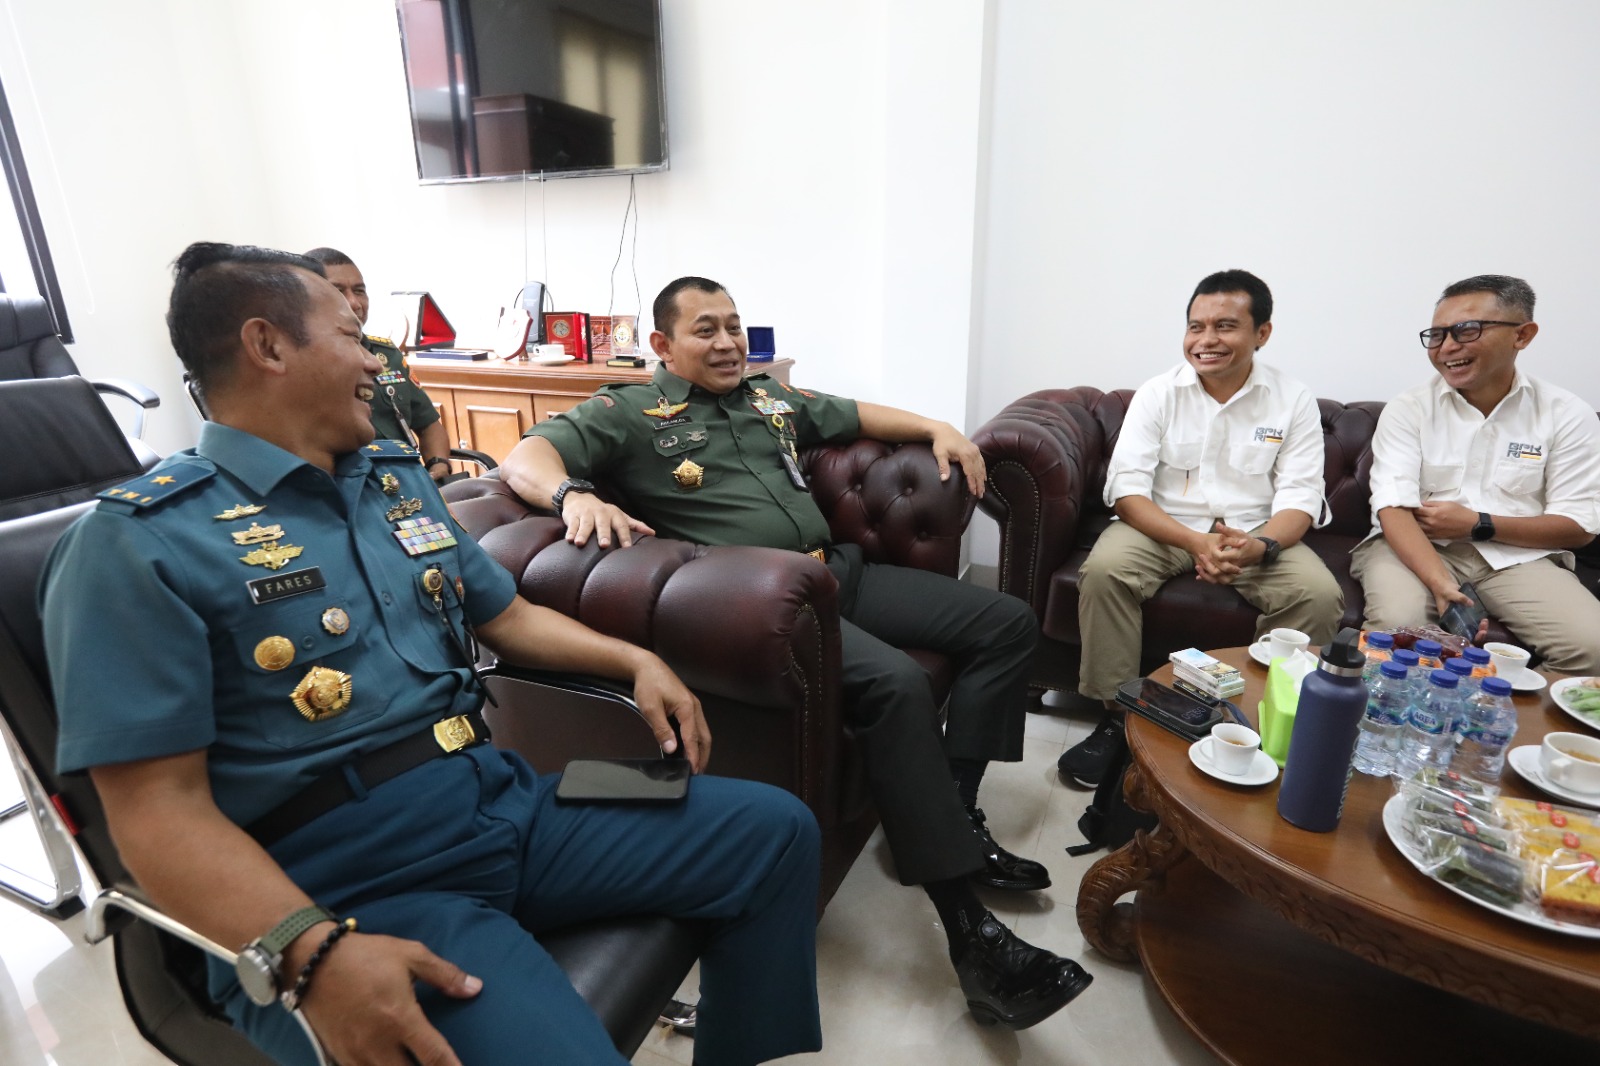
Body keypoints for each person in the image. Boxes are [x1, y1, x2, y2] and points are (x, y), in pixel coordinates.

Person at [41, 244, 823, 1066]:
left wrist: (635, 661)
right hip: (350, 877)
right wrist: (312, 952)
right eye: (352, 337)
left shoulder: (392, 480)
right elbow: (154, 812)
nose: (378, 361)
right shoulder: (136, 543)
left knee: (774, 829)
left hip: (501, 796)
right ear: (268, 346)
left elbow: (507, 615)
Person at [498, 276, 1092, 1032]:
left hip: (837, 573)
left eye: (734, 326)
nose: (727, 343)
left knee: (1006, 623)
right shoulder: (627, 412)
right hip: (765, 606)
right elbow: (526, 456)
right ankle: (973, 937)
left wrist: (939, 426)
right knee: (898, 683)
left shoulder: (768, 397)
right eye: (706, 330)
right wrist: (572, 497)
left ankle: (956, 811)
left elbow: (854, 413)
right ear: (662, 345)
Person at [1061, 269, 1343, 787]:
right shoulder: (1159, 393)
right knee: (1104, 571)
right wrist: (1195, 542)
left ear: (1262, 333)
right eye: (1196, 326)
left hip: (1253, 533)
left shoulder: (1292, 399)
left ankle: (1255, 727)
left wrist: (1260, 544)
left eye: (1225, 326)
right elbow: (1127, 491)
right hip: (1163, 527)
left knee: (1318, 595)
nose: (1205, 340)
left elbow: (1301, 498)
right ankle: (1118, 716)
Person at [1352, 274, 1600, 673]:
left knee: (1594, 646)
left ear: (1522, 335)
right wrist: (1441, 584)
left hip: (1517, 557)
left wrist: (1479, 524)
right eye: (1437, 335)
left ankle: (1494, 708)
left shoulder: (1567, 414)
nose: (1447, 347)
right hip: (1416, 547)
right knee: (1399, 629)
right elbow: (1392, 507)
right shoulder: (1410, 408)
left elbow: (1578, 526)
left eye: (1467, 330)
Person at [302, 246, 454, 483]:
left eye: (359, 291)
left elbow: (428, 424)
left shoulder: (387, 354)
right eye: (338, 291)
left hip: (409, 480)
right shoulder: (301, 364)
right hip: (349, 485)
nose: (354, 303)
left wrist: (438, 465)